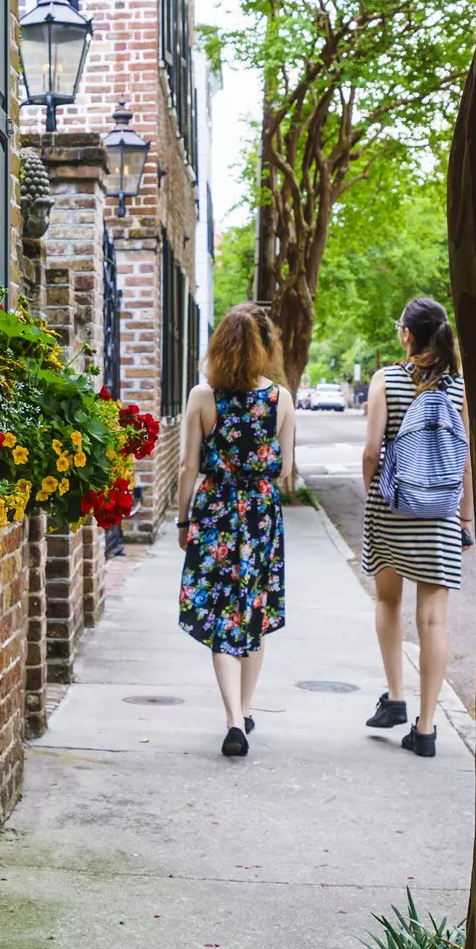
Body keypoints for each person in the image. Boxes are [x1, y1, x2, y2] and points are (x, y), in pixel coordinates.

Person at [177, 305, 296, 757]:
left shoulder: (202, 397)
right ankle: (245, 711)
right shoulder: (281, 399)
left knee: (220, 615)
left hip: (216, 513)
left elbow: (189, 465)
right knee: (254, 613)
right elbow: (284, 469)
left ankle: (231, 719)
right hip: (261, 514)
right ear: (264, 349)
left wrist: (183, 519)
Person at [361, 296, 471, 756]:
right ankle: (426, 728)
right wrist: (465, 518)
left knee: (388, 601)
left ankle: (396, 698)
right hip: (441, 514)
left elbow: (372, 451)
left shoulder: (386, 380)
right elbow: (467, 456)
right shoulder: (460, 388)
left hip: (393, 506)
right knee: (434, 620)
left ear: (407, 334)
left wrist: (373, 493)